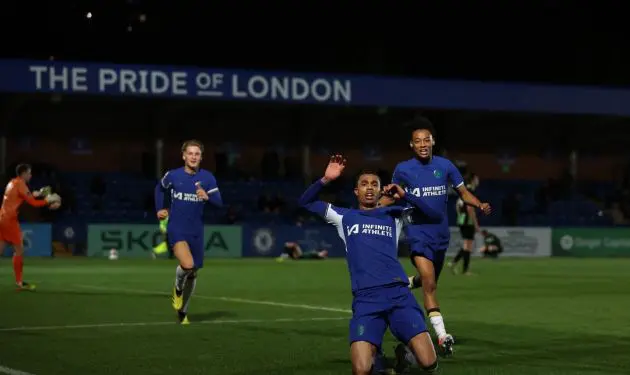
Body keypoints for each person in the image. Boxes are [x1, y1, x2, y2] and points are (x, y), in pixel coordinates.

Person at [300, 155, 441, 375]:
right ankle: (380, 362)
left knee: (429, 363)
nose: (369, 188)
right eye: (364, 184)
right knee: (361, 369)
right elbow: (305, 202)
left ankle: (404, 354)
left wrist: (406, 195)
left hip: (398, 297)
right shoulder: (344, 217)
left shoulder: (394, 215)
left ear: (380, 190)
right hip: (366, 300)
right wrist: (325, 179)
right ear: (356, 191)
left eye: (374, 184)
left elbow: (434, 215)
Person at [379, 117, 491, 355]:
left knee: (428, 281)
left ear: (433, 142)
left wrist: (479, 204)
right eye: (417, 141)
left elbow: (463, 192)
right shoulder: (403, 169)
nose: (422, 144)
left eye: (426, 140)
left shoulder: (446, 166)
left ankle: (402, 285)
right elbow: (393, 195)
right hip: (418, 233)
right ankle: (442, 336)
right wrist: (376, 205)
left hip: (441, 235)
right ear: (411, 145)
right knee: (430, 285)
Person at [154, 140, 223, 324]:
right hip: (177, 228)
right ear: (183, 156)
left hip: (197, 231)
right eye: (190, 153)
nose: (193, 157)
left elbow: (219, 202)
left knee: (193, 273)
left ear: (201, 157)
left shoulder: (208, 178)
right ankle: (177, 287)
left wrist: (208, 197)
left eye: (197, 154)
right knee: (187, 264)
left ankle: (183, 312)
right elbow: (159, 188)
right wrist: (159, 208)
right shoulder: (173, 175)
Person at [0, 164, 60, 290]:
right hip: (10, 220)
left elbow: (24, 196)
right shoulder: (21, 183)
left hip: (2, 218)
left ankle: (19, 282)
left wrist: (40, 193)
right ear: (23, 174)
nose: (30, 175)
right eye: (29, 173)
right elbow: (32, 202)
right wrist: (48, 200)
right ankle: (19, 282)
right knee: (19, 250)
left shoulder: (12, 182)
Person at [448, 173, 480, 275]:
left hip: (461, 220)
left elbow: (457, 205)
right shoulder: (470, 192)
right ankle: (465, 270)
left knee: (467, 246)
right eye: (476, 179)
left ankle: (454, 262)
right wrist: (476, 224)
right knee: (468, 246)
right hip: (468, 221)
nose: (478, 181)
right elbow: (470, 208)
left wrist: (460, 216)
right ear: (473, 180)